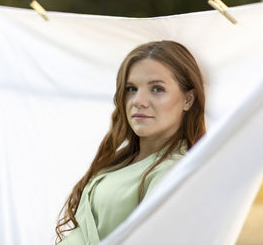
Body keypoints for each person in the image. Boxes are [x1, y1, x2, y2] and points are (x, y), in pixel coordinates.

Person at [55, 40, 206, 245]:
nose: (138, 101)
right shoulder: (125, 159)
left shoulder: (172, 171)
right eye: (131, 89)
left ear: (188, 100)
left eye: (157, 89)